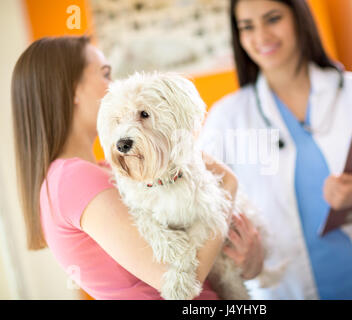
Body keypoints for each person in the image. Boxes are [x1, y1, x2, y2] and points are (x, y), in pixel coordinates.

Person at [197, 0, 352, 299]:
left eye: (273, 19)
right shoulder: (227, 118)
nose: (261, 36)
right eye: (247, 27)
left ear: (299, 19)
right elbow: (205, 210)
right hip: (288, 287)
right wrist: (244, 259)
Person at [11, 35, 261, 299]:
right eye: (105, 74)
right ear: (72, 89)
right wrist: (228, 188)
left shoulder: (108, 168)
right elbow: (179, 280)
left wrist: (249, 259)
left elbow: (205, 252)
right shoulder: (73, 179)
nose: (115, 84)